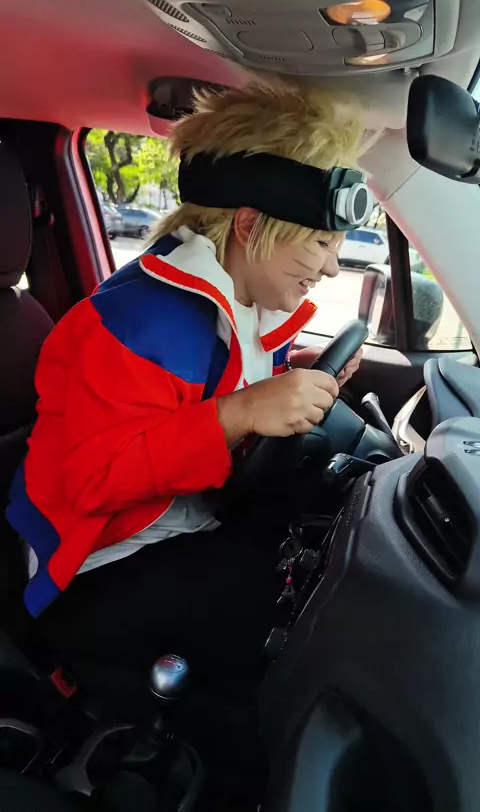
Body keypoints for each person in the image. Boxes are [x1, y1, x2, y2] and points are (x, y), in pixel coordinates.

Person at [7, 79, 367, 693]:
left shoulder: (242, 305)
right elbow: (92, 479)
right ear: (250, 225)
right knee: (295, 618)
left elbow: (214, 386)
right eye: (320, 242)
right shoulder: (138, 323)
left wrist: (284, 383)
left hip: (174, 519)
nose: (333, 266)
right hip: (93, 559)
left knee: (313, 562)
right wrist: (238, 414)